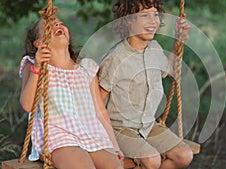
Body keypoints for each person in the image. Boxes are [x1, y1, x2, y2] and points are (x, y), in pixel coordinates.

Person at [19, 15, 124, 169]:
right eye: (50, 26)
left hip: (93, 135)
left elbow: (100, 112)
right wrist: (38, 67)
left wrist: (115, 146)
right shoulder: (34, 65)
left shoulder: (85, 68)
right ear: (39, 43)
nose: (57, 25)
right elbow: (28, 105)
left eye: (60, 23)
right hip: (60, 137)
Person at [97, 0, 193, 168]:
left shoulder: (155, 49)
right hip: (121, 129)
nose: (153, 21)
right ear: (128, 20)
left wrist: (178, 40)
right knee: (151, 159)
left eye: (156, 15)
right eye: (144, 16)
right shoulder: (115, 58)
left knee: (184, 155)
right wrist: (104, 140)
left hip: (149, 125)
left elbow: (170, 70)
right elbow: (99, 101)